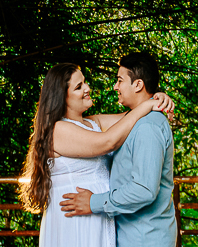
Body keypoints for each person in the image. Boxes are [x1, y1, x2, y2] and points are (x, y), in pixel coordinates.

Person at [20, 62, 174, 247]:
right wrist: (148, 104)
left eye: (84, 82)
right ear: (62, 97)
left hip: (97, 215)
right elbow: (108, 142)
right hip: (74, 219)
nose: (87, 88)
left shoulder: (93, 123)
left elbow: (132, 116)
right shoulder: (58, 130)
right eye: (79, 87)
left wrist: (156, 98)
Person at [59, 52, 177, 247]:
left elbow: (144, 190)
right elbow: (97, 132)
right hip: (128, 235)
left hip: (144, 238)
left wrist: (93, 202)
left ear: (138, 85)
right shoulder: (133, 121)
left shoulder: (147, 126)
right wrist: (154, 100)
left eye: (120, 81)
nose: (115, 86)